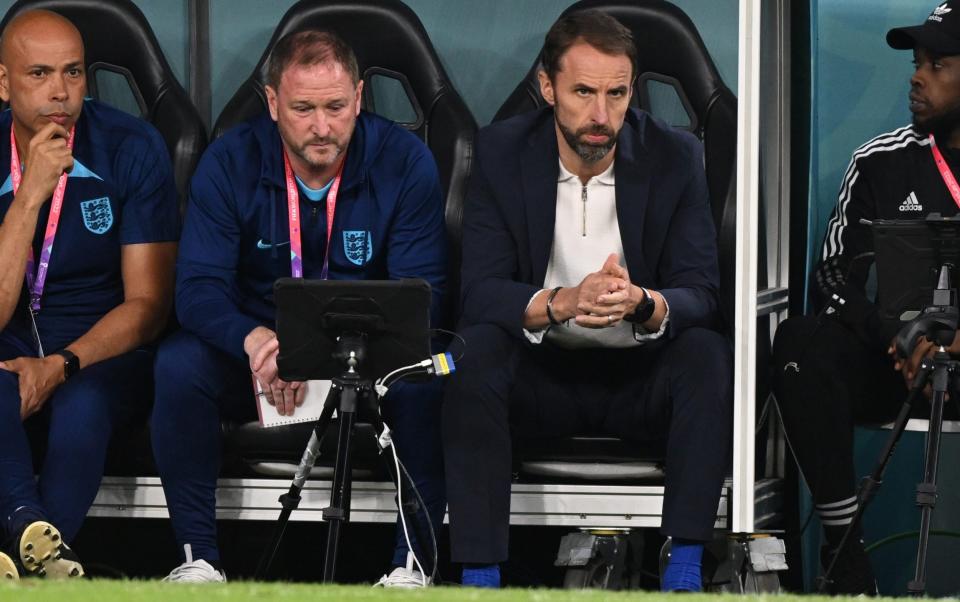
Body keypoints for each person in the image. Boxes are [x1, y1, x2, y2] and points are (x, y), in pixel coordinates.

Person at [442, 10, 732, 592]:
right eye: (583, 92)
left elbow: (701, 292)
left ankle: (684, 569)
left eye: (617, 94)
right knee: (472, 353)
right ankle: (478, 575)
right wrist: (564, 301)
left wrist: (642, 301)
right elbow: (479, 293)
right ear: (549, 88)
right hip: (540, 377)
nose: (602, 116)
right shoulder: (500, 152)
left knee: (707, 354)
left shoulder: (674, 157)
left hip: (639, 379)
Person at [150, 29, 447, 585]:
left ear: (359, 97)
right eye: (302, 108)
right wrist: (258, 341)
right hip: (258, 357)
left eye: (336, 107)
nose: (321, 127)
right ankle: (198, 561)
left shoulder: (405, 162)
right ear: (272, 103)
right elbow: (196, 288)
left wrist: (318, 353)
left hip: (369, 357)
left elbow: (421, 295)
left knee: (425, 382)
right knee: (178, 365)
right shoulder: (229, 162)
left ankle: (410, 568)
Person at [772, 1, 960, 595]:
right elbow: (830, 277)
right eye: (915, 62)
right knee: (802, 343)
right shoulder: (879, 162)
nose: (916, 75)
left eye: (937, 63)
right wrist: (898, 338)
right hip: (900, 361)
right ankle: (844, 552)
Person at [0, 10, 178, 580]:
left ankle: (24, 566)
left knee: (82, 406)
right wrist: (28, 196)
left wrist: (62, 363)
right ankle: (28, 529)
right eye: (39, 74)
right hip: (8, 339)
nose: (60, 92)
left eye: (74, 73)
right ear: (3, 83)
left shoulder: (132, 146)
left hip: (100, 352)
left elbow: (148, 306)